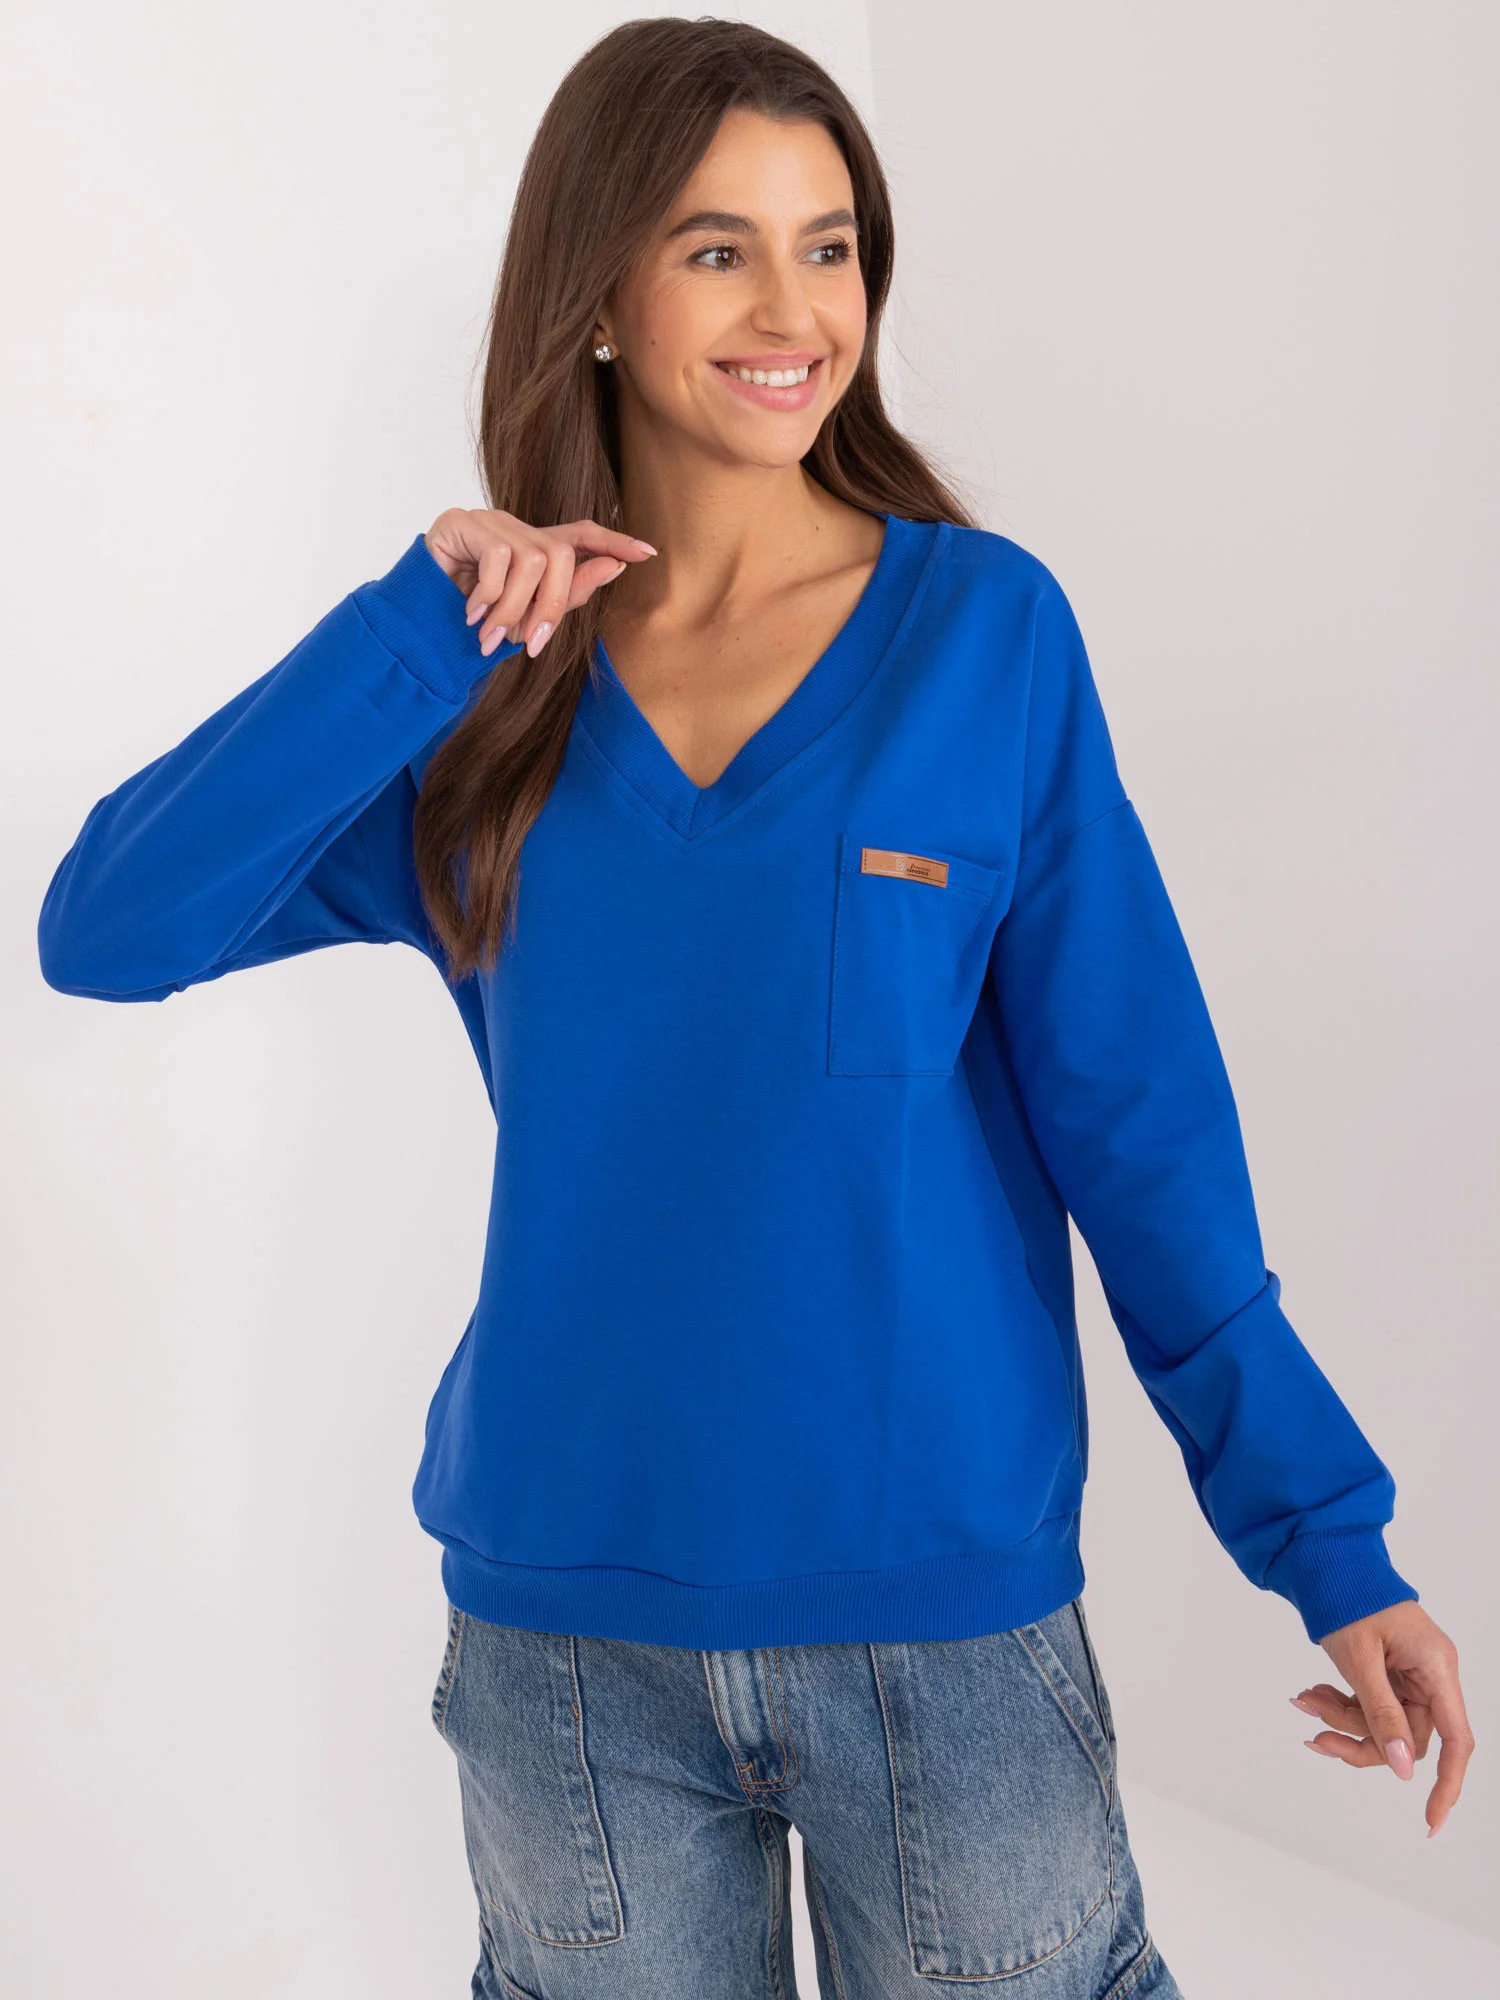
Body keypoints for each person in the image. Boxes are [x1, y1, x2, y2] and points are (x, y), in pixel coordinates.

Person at [35, 17, 1472, 2000]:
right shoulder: (480, 700)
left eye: (832, 246)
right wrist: (413, 631)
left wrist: (1328, 1538)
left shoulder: (986, 636)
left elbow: (1139, 1126)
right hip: (566, 1643)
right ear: (597, 293)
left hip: (943, 1624)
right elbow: (108, 927)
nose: (796, 311)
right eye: (719, 249)